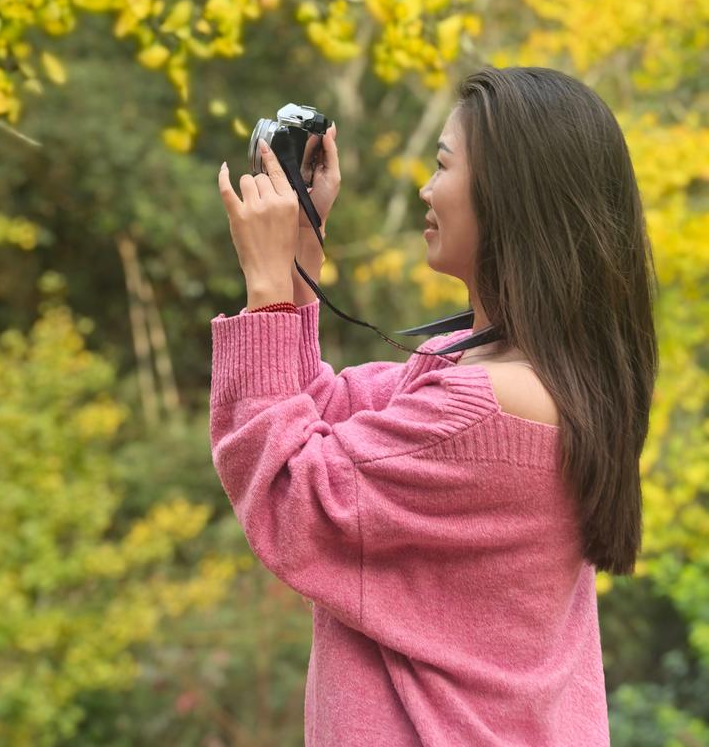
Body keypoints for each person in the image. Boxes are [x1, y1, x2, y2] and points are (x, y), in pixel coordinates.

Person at [211, 65, 657, 746]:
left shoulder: (484, 406)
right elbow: (326, 416)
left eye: (444, 166)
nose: (426, 187)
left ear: (510, 197)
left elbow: (291, 495)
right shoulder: (535, 378)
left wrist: (268, 289)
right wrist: (301, 253)